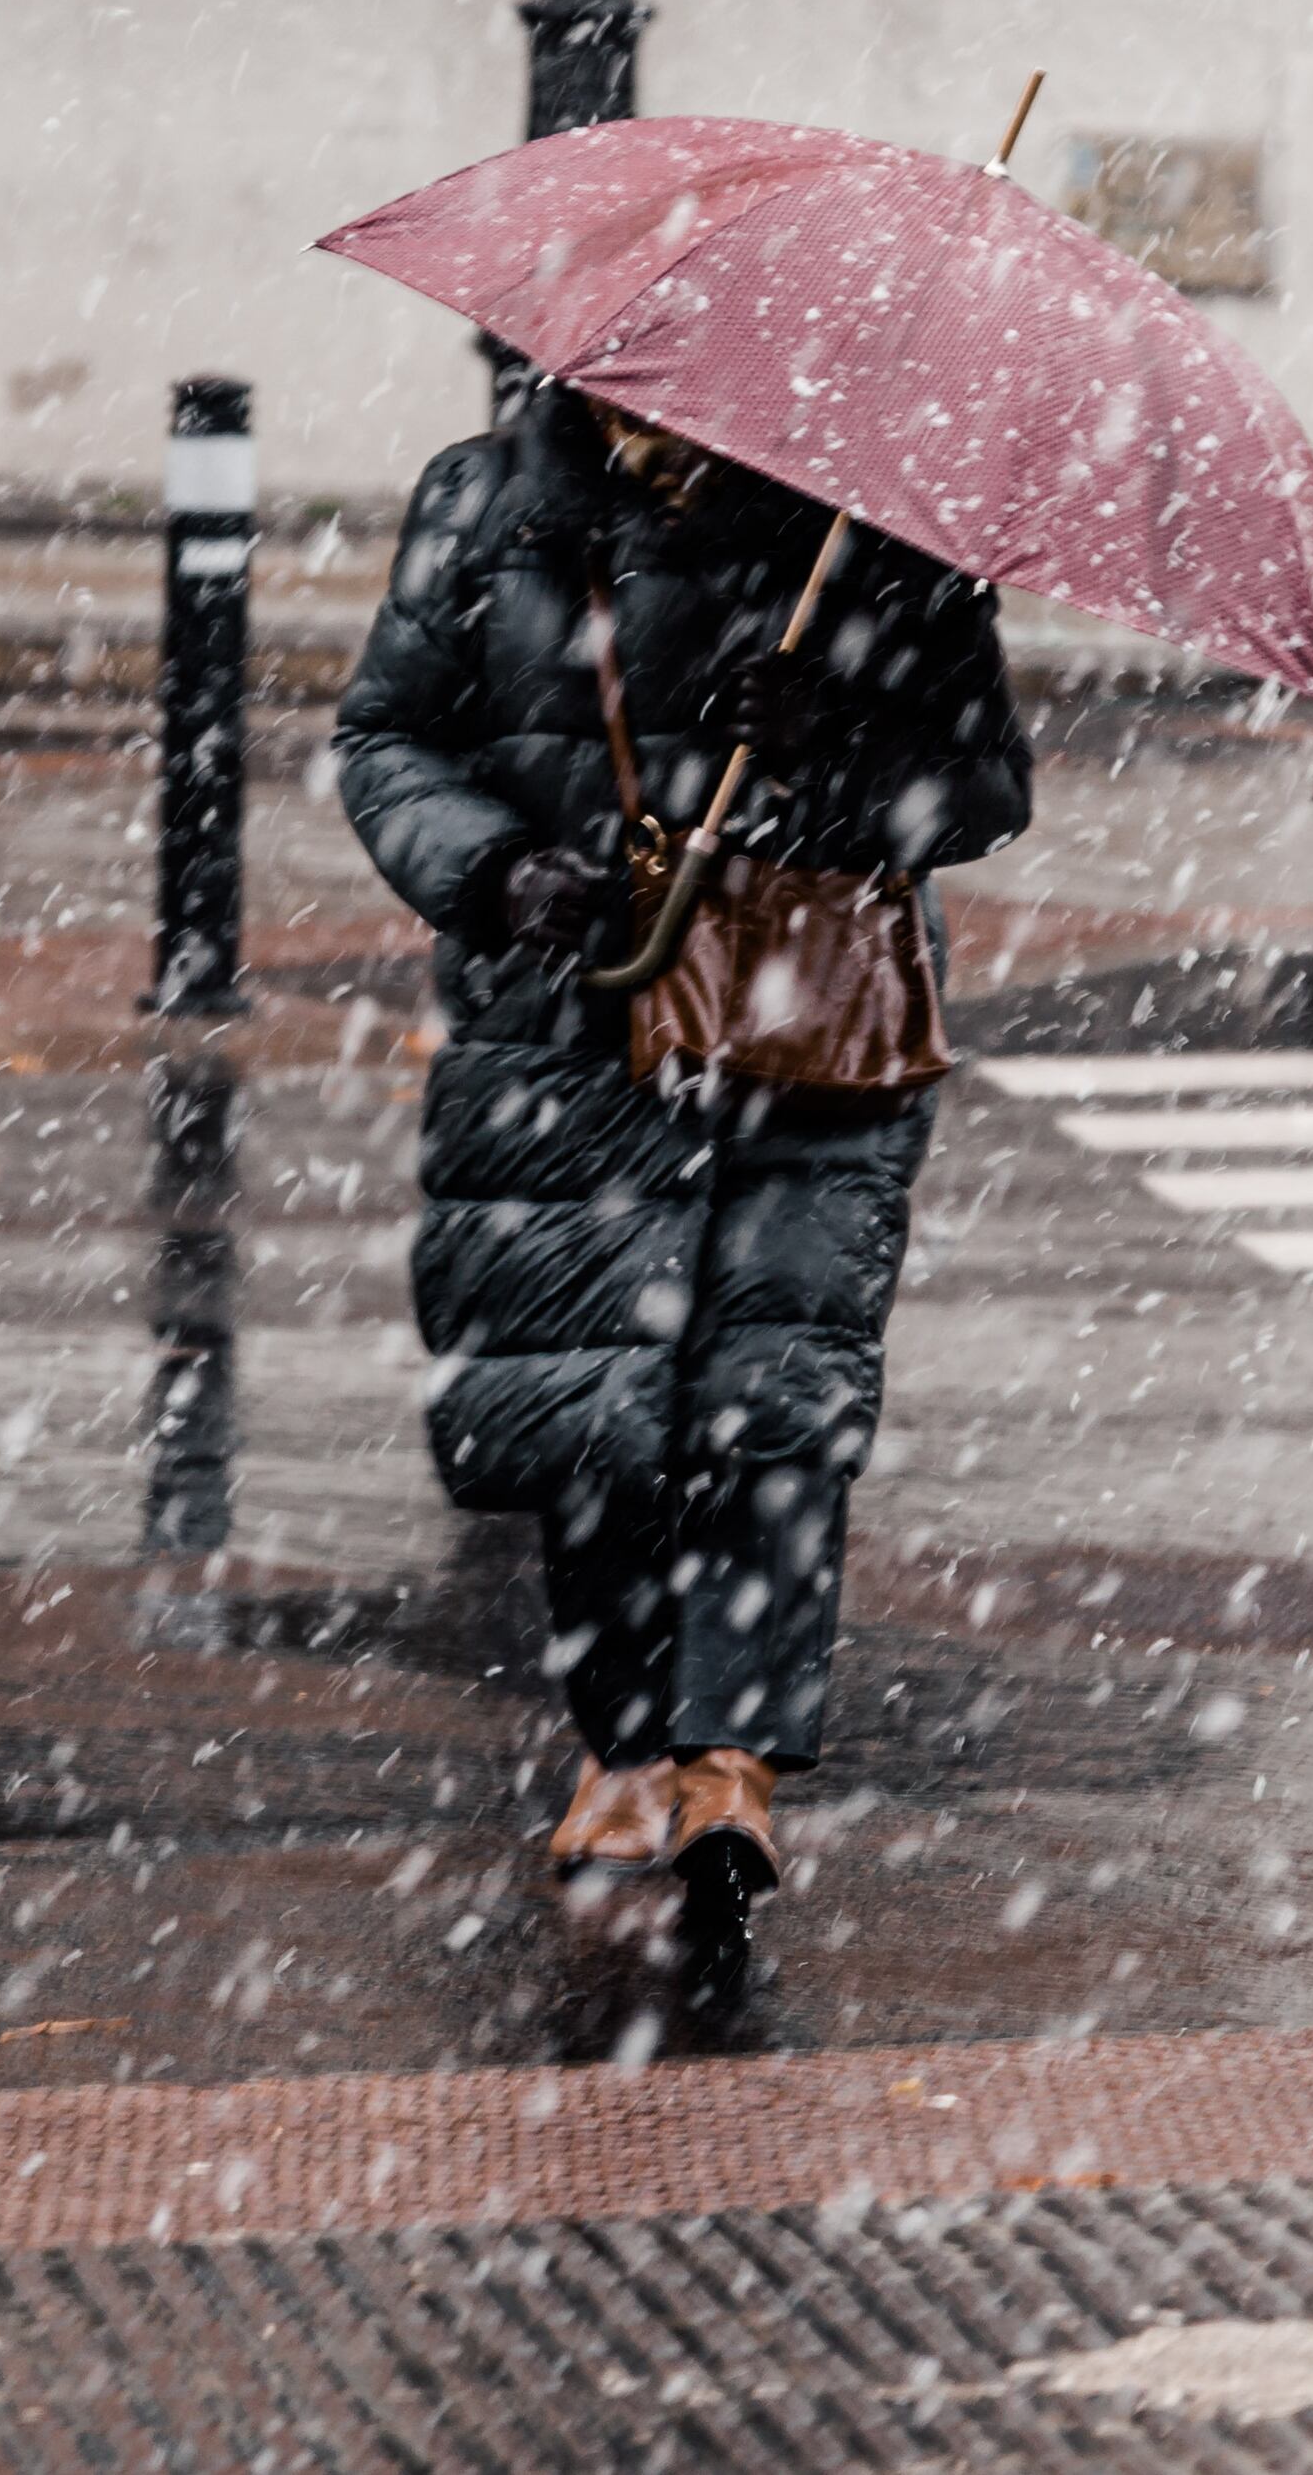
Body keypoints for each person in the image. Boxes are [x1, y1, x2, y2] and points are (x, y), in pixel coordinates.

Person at [332, 377, 1030, 1903]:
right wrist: (502, 870)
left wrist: (836, 749)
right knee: (591, 1386)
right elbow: (384, 739)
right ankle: (624, 1740)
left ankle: (736, 1762)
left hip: (808, 1017)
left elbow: (983, 783)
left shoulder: (871, 527)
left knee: (773, 1382)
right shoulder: (489, 500)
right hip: (569, 1013)